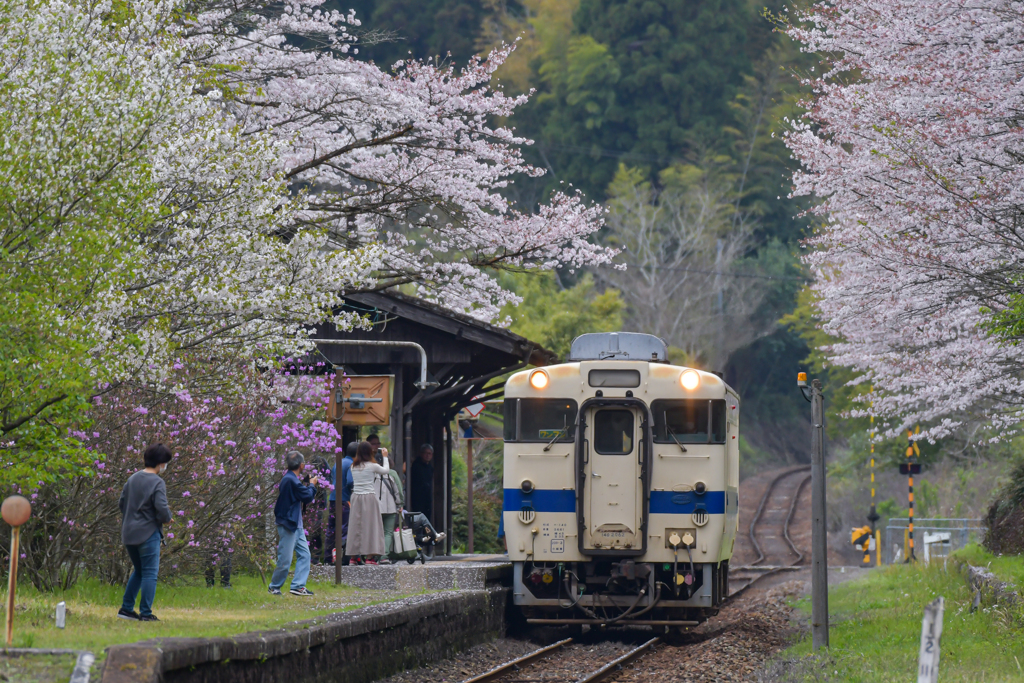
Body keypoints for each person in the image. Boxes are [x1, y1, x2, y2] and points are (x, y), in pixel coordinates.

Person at [117, 443, 174, 622]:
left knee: (139, 570)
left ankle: (126, 609)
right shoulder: (157, 482)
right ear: (161, 463)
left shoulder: (132, 479)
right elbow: (161, 508)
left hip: (129, 532)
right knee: (150, 573)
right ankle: (146, 613)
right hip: (148, 533)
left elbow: (122, 503)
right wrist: (167, 518)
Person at [268, 451, 318, 596]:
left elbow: (299, 493)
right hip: (289, 523)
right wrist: (312, 485)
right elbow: (307, 496)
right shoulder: (291, 480)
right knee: (285, 558)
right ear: (301, 465)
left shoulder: (290, 479)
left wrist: (306, 484)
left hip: (296, 523)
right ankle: (274, 586)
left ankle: (297, 585)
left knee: (304, 555)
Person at [346, 441, 389, 565]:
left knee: (356, 526)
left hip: (356, 497)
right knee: (372, 526)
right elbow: (386, 471)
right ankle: (370, 557)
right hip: (369, 497)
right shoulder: (372, 466)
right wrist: (385, 457)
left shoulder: (353, 466)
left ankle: (354, 557)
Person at [375, 459, 405, 559]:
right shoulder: (392, 473)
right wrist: (400, 503)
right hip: (390, 506)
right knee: (388, 532)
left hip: (376, 507)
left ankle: (374, 555)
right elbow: (398, 490)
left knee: (376, 531)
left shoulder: (373, 473)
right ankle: (384, 555)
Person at [410, 443, 434, 522]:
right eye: (425, 453)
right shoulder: (416, 465)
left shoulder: (429, 466)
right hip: (418, 496)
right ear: (421, 453)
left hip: (427, 496)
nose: (427, 455)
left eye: (429, 453)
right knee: (418, 517)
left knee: (427, 517)